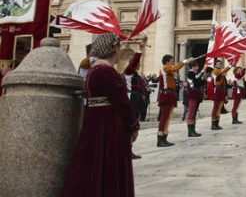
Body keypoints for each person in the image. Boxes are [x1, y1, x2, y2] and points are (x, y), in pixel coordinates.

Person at [60, 33, 139, 197]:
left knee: (93, 162)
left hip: (94, 122)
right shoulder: (106, 71)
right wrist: (133, 125)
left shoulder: (93, 70)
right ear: (115, 49)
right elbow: (122, 103)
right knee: (110, 165)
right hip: (109, 123)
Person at [157, 54, 193, 147]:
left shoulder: (169, 70)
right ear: (167, 62)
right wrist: (186, 61)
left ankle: (164, 136)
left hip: (170, 95)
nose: (173, 63)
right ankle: (160, 137)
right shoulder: (165, 68)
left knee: (167, 117)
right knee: (164, 117)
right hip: (166, 95)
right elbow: (175, 68)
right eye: (172, 61)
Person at [122, 40, 147, 159]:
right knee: (130, 125)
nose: (140, 65)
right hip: (131, 99)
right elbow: (134, 62)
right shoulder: (128, 72)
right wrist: (140, 49)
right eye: (138, 64)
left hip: (136, 100)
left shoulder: (135, 74)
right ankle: (127, 149)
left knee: (134, 124)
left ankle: (128, 148)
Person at [186, 61, 206, 137]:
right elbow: (195, 79)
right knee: (192, 111)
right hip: (193, 92)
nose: (198, 67)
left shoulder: (195, 74)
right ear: (193, 67)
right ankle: (190, 131)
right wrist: (203, 70)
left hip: (197, 92)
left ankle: (193, 130)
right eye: (196, 66)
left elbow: (200, 82)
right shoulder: (190, 73)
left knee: (194, 111)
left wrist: (203, 78)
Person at [209, 59, 230, 129]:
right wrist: (230, 66)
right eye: (218, 64)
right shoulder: (215, 71)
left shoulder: (221, 73)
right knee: (216, 107)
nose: (219, 65)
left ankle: (217, 123)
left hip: (221, 90)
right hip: (217, 90)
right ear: (215, 65)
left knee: (219, 107)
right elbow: (222, 72)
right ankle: (213, 123)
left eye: (220, 64)